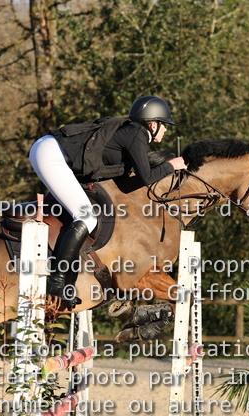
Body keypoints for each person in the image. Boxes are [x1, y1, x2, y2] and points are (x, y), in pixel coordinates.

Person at [29, 95, 186, 309]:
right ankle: (56, 282)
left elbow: (128, 185)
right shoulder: (137, 134)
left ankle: (67, 284)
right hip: (51, 154)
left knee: (84, 215)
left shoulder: (131, 134)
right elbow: (147, 177)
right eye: (164, 125)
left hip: (51, 151)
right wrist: (172, 165)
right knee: (86, 217)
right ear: (152, 124)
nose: (166, 130)